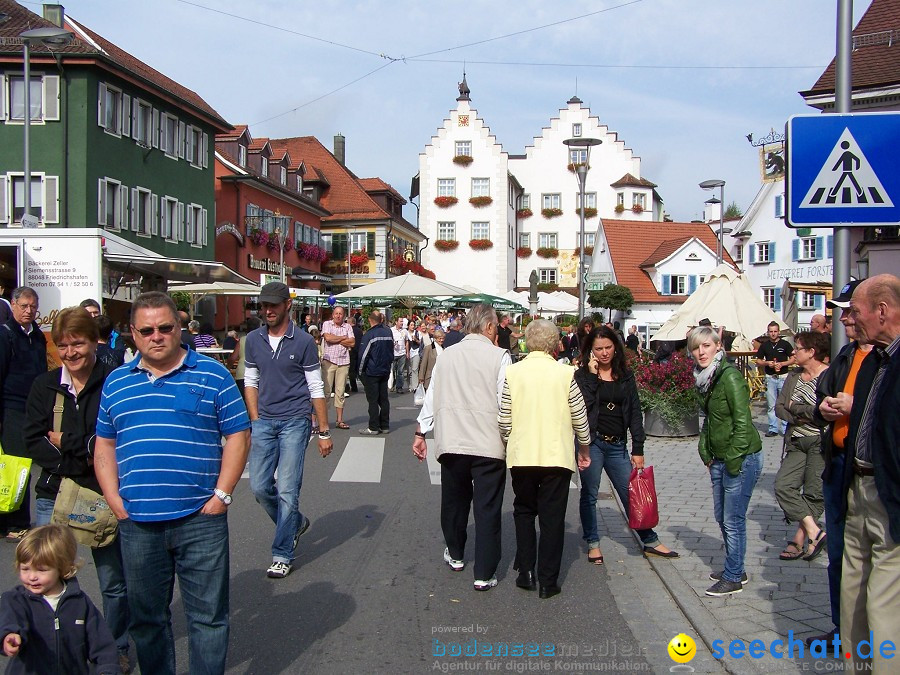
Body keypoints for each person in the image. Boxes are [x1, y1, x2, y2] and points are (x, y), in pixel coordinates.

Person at [93, 291, 251, 675]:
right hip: (138, 522)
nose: (157, 336)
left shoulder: (212, 374)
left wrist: (222, 495)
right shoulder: (116, 383)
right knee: (147, 623)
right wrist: (114, 500)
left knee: (208, 620)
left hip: (200, 519)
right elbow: (104, 443)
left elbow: (238, 435)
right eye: (146, 330)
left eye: (165, 327)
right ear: (132, 333)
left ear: (180, 327)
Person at [23, 307, 131, 673]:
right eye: (63, 345)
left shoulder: (114, 383)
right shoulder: (46, 385)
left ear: (94, 342)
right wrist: (81, 453)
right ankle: (47, 647)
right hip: (54, 489)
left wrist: (67, 441)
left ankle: (114, 647)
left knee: (113, 581)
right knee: (44, 575)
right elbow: (34, 441)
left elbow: (114, 439)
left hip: (104, 490)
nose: (70, 352)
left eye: (78, 343)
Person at [413, 304, 511, 591]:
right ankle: (484, 572)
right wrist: (509, 436)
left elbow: (433, 395)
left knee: (454, 502)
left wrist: (421, 430)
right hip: (488, 443)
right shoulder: (500, 356)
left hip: (453, 441)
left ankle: (455, 553)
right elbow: (505, 400)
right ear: (490, 327)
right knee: (488, 507)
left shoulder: (448, 355)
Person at [243, 282, 333, 580]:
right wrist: (255, 418)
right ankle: (294, 523)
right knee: (258, 487)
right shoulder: (253, 340)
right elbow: (251, 381)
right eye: (263, 306)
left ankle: (282, 553)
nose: (267, 310)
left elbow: (316, 387)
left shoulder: (304, 340)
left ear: (287, 306)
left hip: (295, 420)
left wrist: (323, 431)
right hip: (264, 421)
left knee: (287, 489)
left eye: (273, 305)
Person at [498, 319, 591, 598]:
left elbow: (504, 418)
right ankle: (548, 581)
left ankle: (526, 571)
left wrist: (508, 441)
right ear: (554, 344)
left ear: (528, 341)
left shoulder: (513, 373)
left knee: (524, 511)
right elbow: (579, 416)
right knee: (552, 517)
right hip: (555, 455)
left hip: (523, 454)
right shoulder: (565, 374)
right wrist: (584, 447)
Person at [574, 325, 679, 566]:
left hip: (618, 444)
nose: (603, 353)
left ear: (615, 347)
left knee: (630, 493)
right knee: (589, 494)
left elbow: (634, 412)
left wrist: (638, 448)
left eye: (608, 347)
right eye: (598, 349)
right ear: (590, 350)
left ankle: (650, 540)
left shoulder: (625, 374)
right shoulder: (582, 376)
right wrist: (591, 377)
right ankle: (592, 543)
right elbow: (583, 408)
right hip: (592, 443)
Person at [838, 274, 900, 672]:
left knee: (883, 607)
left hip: (890, 496)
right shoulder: (872, 360)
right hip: (858, 488)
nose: (851, 320)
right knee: (852, 598)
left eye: (856, 312)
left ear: (882, 310)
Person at [807, 280, 870, 646]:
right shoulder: (845, 355)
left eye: (849, 310)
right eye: (841, 311)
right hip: (838, 463)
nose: (843, 318)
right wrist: (824, 408)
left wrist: (854, 406)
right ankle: (841, 628)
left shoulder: (884, 357)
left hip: (868, 468)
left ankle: (868, 633)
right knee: (839, 554)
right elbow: (823, 394)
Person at [689, 325, 762, 597]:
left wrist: (732, 459)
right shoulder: (705, 378)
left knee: (733, 519)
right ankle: (736, 565)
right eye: (696, 348)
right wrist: (705, 451)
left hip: (741, 457)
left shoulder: (728, 377)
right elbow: (710, 419)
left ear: (718, 346)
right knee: (723, 517)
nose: (701, 352)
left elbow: (743, 423)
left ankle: (733, 576)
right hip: (719, 457)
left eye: (706, 346)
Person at [0, 525, 117, 674]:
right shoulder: (16, 600)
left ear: (62, 568)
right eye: (25, 568)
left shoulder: (79, 602)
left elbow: (102, 644)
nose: (32, 576)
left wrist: (107, 669)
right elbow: (9, 621)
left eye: (41, 570)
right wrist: (9, 636)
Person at [773, 330, 830, 563]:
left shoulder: (829, 376)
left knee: (814, 492)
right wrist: (802, 415)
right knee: (783, 486)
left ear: (812, 352)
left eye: (798, 348)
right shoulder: (794, 376)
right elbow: (780, 407)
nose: (793, 352)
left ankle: (799, 538)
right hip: (796, 440)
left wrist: (797, 408)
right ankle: (815, 532)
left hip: (820, 441)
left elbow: (824, 414)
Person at [0, 286, 46, 541]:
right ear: (13, 306)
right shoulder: (5, 335)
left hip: (32, 408)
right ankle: (13, 521)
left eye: (33, 307)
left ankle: (13, 518)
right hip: (11, 408)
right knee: (14, 466)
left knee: (23, 466)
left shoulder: (37, 336)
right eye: (24, 306)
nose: (29, 311)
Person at [755, 321, 794, 437]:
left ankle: (786, 427)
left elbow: (793, 358)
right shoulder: (765, 345)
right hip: (770, 377)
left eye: (775, 331)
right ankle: (773, 428)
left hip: (783, 376)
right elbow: (758, 360)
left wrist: (782, 364)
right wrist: (767, 363)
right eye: (771, 331)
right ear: (768, 332)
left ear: (779, 332)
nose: (773, 334)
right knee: (771, 404)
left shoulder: (785, 344)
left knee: (784, 403)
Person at [357, 310, 394, 435]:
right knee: (384, 399)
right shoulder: (388, 331)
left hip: (372, 371)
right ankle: (385, 425)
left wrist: (360, 371)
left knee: (373, 400)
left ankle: (373, 427)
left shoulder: (369, 334)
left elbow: (363, 356)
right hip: (385, 369)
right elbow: (391, 350)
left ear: (370, 320)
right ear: (381, 319)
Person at [321, 306, 355, 430]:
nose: (338, 316)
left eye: (340, 314)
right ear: (333, 314)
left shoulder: (348, 327)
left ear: (344, 315)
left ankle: (339, 420)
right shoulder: (327, 324)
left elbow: (352, 342)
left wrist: (336, 339)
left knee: (340, 392)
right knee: (326, 391)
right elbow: (327, 338)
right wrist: (343, 338)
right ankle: (323, 421)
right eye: (336, 313)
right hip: (329, 361)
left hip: (343, 362)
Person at [390, 316, 410, 393]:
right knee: (393, 370)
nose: (402, 323)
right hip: (394, 353)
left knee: (400, 371)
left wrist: (407, 352)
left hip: (402, 353)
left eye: (402, 321)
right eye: (400, 321)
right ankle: (393, 384)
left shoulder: (404, 331)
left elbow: (407, 341)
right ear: (396, 322)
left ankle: (399, 387)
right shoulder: (391, 330)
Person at [347, 315, 364, 394]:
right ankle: (366, 384)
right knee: (359, 369)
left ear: (350, 323)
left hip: (352, 351)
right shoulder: (359, 330)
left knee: (352, 370)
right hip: (359, 351)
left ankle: (354, 387)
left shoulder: (349, 331)